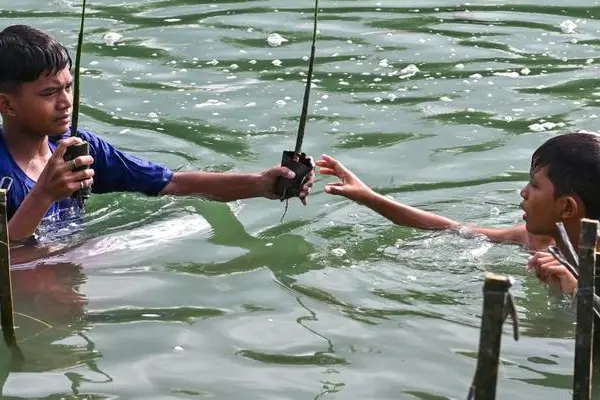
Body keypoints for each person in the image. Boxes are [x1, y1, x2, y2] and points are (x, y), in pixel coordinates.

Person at [0, 25, 314, 243]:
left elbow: (172, 183)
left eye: (69, 87)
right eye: (49, 93)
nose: (66, 102)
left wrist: (262, 184)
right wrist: (43, 195)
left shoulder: (81, 148)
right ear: (7, 105)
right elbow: (9, 260)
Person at [317, 132, 600, 295]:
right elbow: (452, 228)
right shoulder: (540, 242)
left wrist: (576, 288)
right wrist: (368, 197)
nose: (523, 192)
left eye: (534, 186)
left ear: (567, 208)